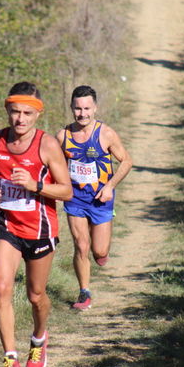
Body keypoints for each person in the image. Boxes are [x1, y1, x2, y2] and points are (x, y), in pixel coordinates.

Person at [0, 81, 72, 367]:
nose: (20, 119)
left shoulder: (47, 144)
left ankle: (39, 339)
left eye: (27, 113)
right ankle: (9, 359)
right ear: (7, 110)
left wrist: (35, 185)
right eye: (15, 112)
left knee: (36, 296)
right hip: (7, 226)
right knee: (1, 288)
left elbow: (66, 192)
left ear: (37, 115)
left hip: (40, 229)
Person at [56, 85, 132, 310]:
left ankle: (101, 251)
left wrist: (110, 186)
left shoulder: (106, 133)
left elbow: (126, 161)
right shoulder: (63, 136)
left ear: (95, 108)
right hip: (75, 198)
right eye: (78, 108)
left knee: (99, 251)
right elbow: (53, 164)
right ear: (71, 108)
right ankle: (84, 293)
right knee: (81, 245)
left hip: (101, 198)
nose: (82, 114)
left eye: (87, 108)